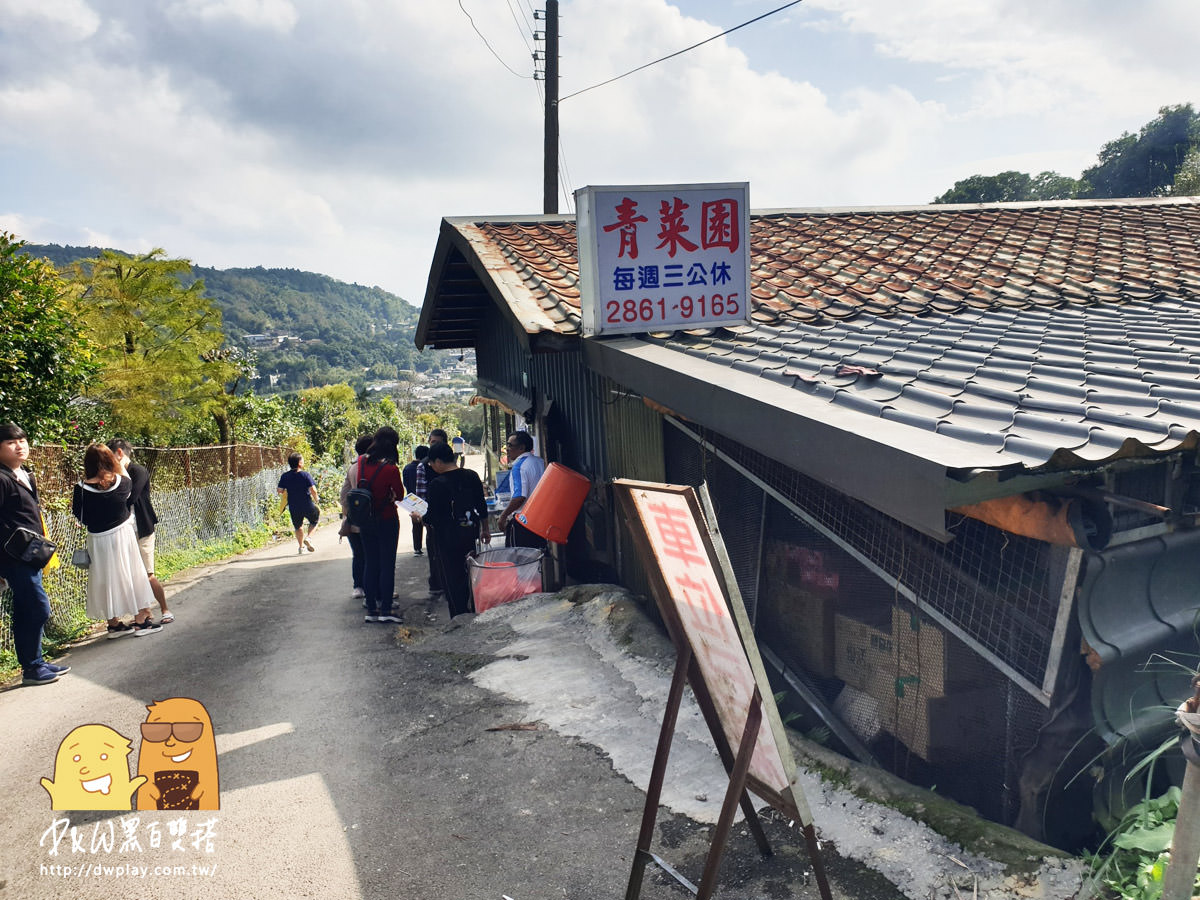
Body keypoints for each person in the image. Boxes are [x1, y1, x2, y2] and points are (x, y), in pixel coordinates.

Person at [0, 423, 70, 685]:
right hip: (13, 557)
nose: (20, 446)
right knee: (38, 608)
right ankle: (31, 666)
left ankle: (35, 663)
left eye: (23, 440)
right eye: (11, 442)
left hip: (31, 553)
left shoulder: (25, 474)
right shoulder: (2, 478)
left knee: (24, 609)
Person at [72, 444, 161, 638]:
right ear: (111, 460)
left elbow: (80, 516)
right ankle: (140, 621)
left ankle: (113, 625)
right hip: (122, 534)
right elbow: (128, 497)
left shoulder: (80, 488)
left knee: (104, 578)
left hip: (96, 538)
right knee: (131, 574)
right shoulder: (121, 482)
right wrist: (116, 466)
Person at [107, 439, 173, 624]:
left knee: (147, 574)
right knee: (131, 575)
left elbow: (130, 497)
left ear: (119, 453)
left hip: (143, 528)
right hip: (124, 531)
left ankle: (165, 609)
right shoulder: (115, 474)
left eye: (110, 455)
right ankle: (145, 613)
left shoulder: (137, 470)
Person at [423, 441, 489, 618]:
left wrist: (419, 516)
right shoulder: (472, 476)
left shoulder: (437, 484)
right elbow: (481, 506)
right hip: (470, 533)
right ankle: (475, 610)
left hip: (447, 539)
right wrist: (485, 529)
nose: (431, 466)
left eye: (431, 463)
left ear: (438, 462)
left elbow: (432, 517)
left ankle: (459, 617)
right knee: (471, 574)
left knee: (452, 578)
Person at [355, 427, 405, 624]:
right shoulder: (391, 469)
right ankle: (385, 609)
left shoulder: (361, 462)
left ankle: (371, 609)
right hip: (386, 519)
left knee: (371, 563)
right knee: (387, 565)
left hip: (366, 520)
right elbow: (399, 495)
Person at [497, 432, 547, 549]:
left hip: (524, 522)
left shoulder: (519, 466)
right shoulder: (539, 462)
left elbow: (519, 497)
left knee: (520, 562)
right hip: (541, 521)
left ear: (521, 448)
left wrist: (503, 516)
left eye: (510, 445)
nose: (507, 449)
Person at [339, 435, 373, 600]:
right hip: (371, 519)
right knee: (371, 555)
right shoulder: (374, 467)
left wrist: (348, 512)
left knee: (358, 554)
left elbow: (344, 495)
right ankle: (372, 589)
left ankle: (358, 586)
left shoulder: (352, 468)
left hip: (353, 520)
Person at [422, 429, 449, 597]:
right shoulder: (424, 466)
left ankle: (449, 583)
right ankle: (436, 583)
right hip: (432, 516)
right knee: (434, 550)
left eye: (438, 442)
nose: (435, 446)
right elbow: (420, 494)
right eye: (433, 442)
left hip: (450, 515)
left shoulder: (450, 462)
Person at [277, 453, 320, 554]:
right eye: (303, 460)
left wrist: (286, 490)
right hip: (307, 503)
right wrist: (316, 498)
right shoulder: (305, 475)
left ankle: (301, 548)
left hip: (293, 505)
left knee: (298, 526)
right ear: (300, 463)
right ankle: (309, 538)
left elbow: (279, 490)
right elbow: (313, 489)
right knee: (314, 521)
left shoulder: (285, 476)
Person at [401, 445, 429, 556]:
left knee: (416, 524)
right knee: (428, 523)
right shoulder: (425, 467)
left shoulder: (407, 468)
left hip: (412, 500)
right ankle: (430, 545)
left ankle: (417, 548)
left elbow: (405, 484)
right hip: (424, 499)